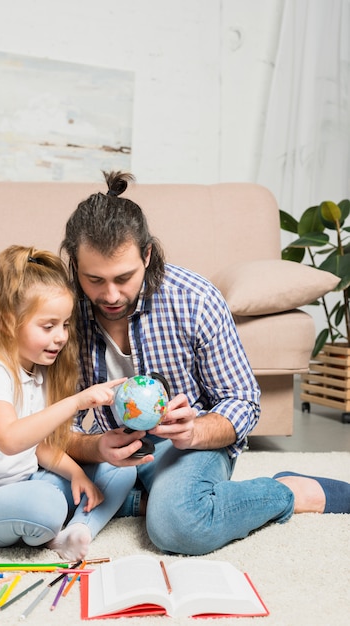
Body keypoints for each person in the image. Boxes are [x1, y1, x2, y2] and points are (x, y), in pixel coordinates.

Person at [60, 171, 350, 556]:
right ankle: (156, 501)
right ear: (74, 265)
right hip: (103, 450)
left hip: (183, 447)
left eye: (124, 277)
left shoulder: (194, 299)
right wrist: (95, 448)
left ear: (147, 255)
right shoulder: (60, 310)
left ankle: (287, 492)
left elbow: (243, 401)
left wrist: (193, 431)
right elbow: (43, 420)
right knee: (25, 502)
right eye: (93, 279)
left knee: (179, 527)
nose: (110, 295)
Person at [0, 245, 136, 561]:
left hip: (27, 481)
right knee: (45, 504)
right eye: (48, 326)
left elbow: (40, 447)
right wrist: (75, 403)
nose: (60, 337)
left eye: (65, 324)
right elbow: (11, 440)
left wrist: (77, 474)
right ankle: (64, 520)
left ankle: (78, 531)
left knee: (119, 471)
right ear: (7, 322)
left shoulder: (39, 370)